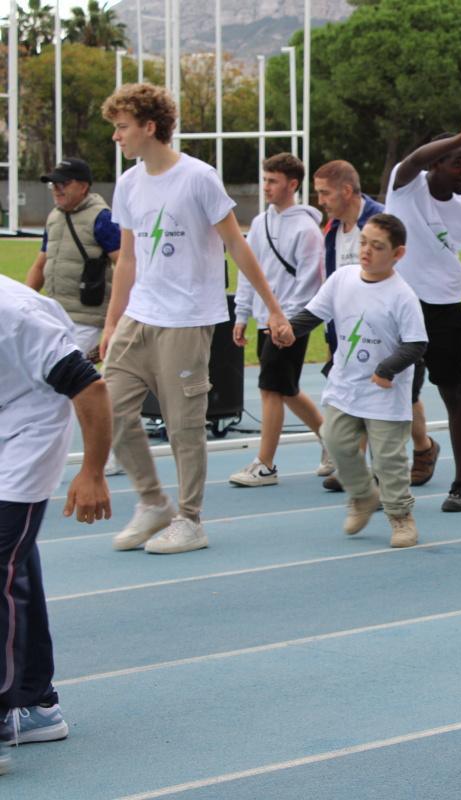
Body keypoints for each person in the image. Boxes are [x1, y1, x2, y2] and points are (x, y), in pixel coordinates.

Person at [99, 83, 295, 555]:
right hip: (139, 317)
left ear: (150, 127)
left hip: (187, 320)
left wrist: (271, 306)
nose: (116, 137)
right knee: (108, 410)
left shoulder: (199, 178)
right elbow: (126, 259)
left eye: (122, 127)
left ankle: (190, 519)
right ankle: (152, 502)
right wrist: (111, 323)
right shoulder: (128, 183)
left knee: (184, 425)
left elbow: (236, 244)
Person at [0, 276, 112, 774]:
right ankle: (36, 702)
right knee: (13, 568)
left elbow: (90, 386)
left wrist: (91, 472)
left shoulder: (15, 317)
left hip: (28, 434)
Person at [286, 214, 428, 547]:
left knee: (389, 460)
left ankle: (400, 516)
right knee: (333, 439)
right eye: (364, 242)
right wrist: (288, 332)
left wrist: (387, 369)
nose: (366, 251)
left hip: (384, 392)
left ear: (398, 254)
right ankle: (363, 495)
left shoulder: (402, 295)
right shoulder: (343, 278)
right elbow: (315, 313)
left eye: (377, 247)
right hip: (345, 385)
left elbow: (416, 343)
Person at [385, 104, 461, 512]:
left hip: (446, 311)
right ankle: (391, 479)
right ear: (436, 162)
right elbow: (413, 159)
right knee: (393, 395)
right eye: (457, 162)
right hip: (401, 309)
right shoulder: (406, 188)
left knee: (454, 395)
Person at [229, 153, 328, 487]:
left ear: (292, 184)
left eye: (273, 180)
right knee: (285, 389)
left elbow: (310, 282)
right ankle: (332, 441)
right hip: (263, 320)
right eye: (265, 179)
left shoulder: (306, 229)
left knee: (271, 388)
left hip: (289, 323)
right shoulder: (260, 224)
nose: (266, 186)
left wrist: (289, 322)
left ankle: (266, 465)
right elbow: (248, 271)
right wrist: (242, 313)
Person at [312, 159, 385, 492]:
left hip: (380, 331)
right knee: (348, 397)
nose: (320, 201)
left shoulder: (380, 221)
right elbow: (331, 282)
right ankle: (354, 468)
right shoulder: (332, 231)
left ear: (346, 190)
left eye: (325, 193)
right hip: (343, 330)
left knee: (388, 399)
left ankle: (422, 447)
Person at [24, 157, 121, 359]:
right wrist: (23, 302)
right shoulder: (54, 217)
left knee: (66, 376)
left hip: (86, 319)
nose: (57, 189)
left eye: (64, 183)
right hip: (53, 315)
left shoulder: (102, 218)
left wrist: (116, 319)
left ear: (83, 186)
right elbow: (40, 265)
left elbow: (123, 263)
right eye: (54, 184)